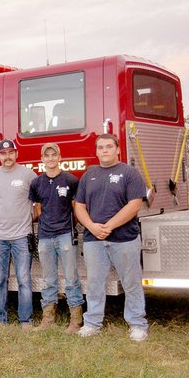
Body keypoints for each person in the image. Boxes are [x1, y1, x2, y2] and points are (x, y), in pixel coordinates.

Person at [74, 133, 148, 341]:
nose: (104, 150)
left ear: (117, 149)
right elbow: (79, 206)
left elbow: (134, 205)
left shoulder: (129, 173)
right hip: (93, 239)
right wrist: (91, 226)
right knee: (95, 282)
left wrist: (109, 226)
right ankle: (92, 323)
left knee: (131, 282)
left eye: (108, 146)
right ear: (96, 151)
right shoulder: (89, 175)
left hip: (124, 238)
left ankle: (137, 324)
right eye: (100, 147)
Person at [29, 143, 83, 332]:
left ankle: (75, 321)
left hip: (65, 235)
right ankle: (47, 320)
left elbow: (77, 209)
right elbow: (37, 210)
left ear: (60, 157)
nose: (50, 158)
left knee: (71, 279)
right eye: (47, 155)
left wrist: (69, 227)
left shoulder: (71, 180)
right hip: (45, 237)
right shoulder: (37, 183)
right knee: (48, 279)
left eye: (54, 155)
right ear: (42, 159)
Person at [0, 140, 37, 329]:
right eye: (3, 153)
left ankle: (26, 320)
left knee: (24, 279)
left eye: (10, 152)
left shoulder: (28, 175)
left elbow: (37, 202)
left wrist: (30, 216)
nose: (7, 157)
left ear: (16, 154)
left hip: (22, 236)